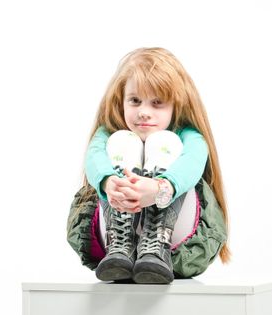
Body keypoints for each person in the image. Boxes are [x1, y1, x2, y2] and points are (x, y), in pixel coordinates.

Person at [67, 47, 230, 284]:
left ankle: (157, 244)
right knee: (121, 140)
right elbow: (94, 158)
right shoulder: (109, 135)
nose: (144, 112)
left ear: (177, 105)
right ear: (120, 100)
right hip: (113, 237)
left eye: (157, 103)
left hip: (175, 240)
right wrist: (110, 183)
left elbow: (192, 164)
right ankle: (120, 244)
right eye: (134, 101)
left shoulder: (188, 137)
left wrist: (158, 190)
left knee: (165, 141)